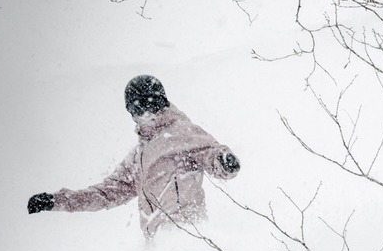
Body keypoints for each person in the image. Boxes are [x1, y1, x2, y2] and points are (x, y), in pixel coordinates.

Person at [27, 75, 240, 239]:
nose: (146, 114)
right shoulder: (139, 156)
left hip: (188, 232)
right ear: (131, 113)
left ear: (162, 104)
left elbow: (210, 152)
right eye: (138, 108)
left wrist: (223, 160)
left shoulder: (181, 133)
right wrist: (58, 201)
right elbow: (107, 193)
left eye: (151, 105)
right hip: (156, 238)